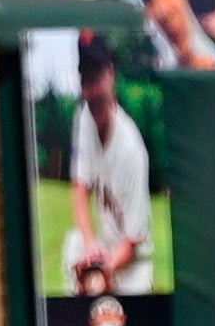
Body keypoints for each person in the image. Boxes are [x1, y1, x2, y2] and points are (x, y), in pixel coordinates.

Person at [63, 33, 155, 297]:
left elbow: (133, 241)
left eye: (96, 75)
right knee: (74, 242)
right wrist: (91, 248)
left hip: (132, 265)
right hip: (104, 247)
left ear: (110, 74)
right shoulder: (83, 118)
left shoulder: (131, 149)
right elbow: (80, 189)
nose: (91, 87)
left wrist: (99, 273)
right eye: (85, 78)